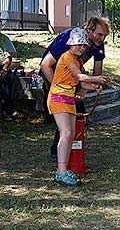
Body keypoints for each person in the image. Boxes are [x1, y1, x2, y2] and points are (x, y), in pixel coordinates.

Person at [40, 17, 110, 161]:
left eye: (104, 36)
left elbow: (96, 73)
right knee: (64, 114)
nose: (102, 39)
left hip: (71, 77)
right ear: (89, 29)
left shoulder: (98, 44)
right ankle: (57, 153)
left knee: (78, 112)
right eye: (99, 34)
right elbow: (45, 65)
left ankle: (70, 151)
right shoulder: (69, 37)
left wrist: (83, 91)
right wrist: (57, 88)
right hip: (53, 75)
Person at [48, 28, 107, 186]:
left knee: (71, 134)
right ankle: (60, 173)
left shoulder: (78, 60)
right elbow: (79, 76)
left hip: (69, 98)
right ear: (71, 44)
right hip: (58, 97)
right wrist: (97, 78)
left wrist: (94, 86)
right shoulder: (67, 57)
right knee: (66, 133)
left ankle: (64, 170)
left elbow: (81, 83)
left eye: (84, 45)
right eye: (78, 44)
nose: (81, 47)